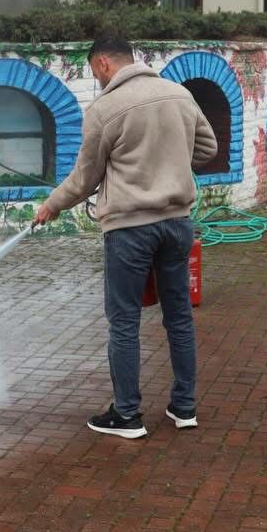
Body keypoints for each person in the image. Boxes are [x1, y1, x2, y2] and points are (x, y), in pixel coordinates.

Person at [33, 34, 218, 438]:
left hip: (130, 229)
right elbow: (207, 148)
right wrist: (169, 163)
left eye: (93, 71)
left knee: (124, 321)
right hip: (177, 224)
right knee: (179, 317)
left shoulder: (105, 109)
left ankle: (127, 414)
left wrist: (52, 205)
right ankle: (184, 407)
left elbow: (85, 177)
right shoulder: (179, 94)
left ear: (103, 62)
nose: (96, 78)